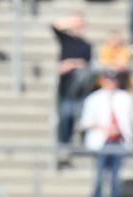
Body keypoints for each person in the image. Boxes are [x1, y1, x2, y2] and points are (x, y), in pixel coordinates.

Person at [80, 71, 133, 197]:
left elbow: (131, 120)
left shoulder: (125, 98)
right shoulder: (93, 98)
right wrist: (105, 128)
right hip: (101, 141)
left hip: (119, 141)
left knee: (115, 179)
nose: (111, 83)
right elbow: (86, 121)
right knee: (99, 177)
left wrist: (121, 131)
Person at [52, 14, 93, 148]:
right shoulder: (67, 40)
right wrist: (72, 21)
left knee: (79, 116)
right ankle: (64, 145)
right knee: (65, 118)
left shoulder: (86, 45)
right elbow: (55, 25)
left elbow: (86, 64)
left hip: (80, 88)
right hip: (66, 86)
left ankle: (80, 144)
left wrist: (71, 63)